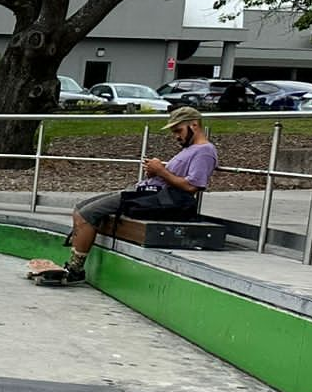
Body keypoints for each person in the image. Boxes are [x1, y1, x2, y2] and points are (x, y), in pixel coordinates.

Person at [55, 106, 217, 282]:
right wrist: (154, 171)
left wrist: (161, 171)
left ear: (194, 125)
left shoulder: (205, 151)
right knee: (80, 208)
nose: (176, 136)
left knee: (86, 214)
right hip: (145, 191)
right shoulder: (189, 149)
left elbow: (193, 186)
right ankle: (75, 263)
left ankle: (75, 269)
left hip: (155, 198)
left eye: (179, 130)